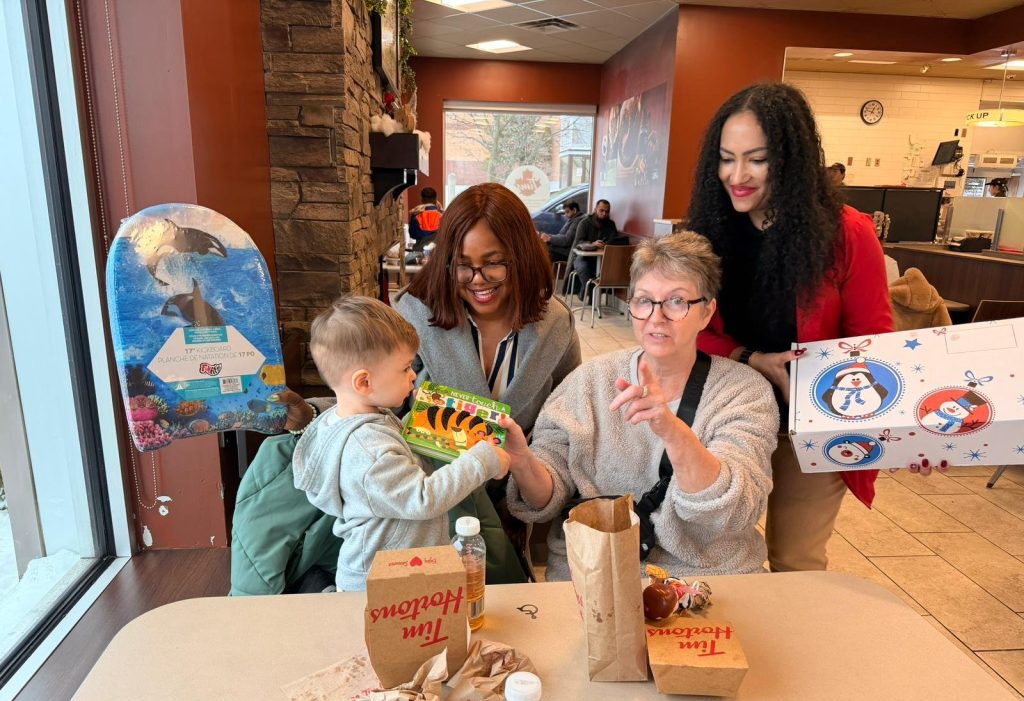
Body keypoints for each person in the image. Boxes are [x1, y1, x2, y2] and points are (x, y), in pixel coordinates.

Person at [280, 182, 583, 580]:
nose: (477, 279)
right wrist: (314, 414)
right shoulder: (412, 316)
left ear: (523, 257)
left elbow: (563, 424)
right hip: (425, 519)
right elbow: (381, 400)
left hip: (515, 506)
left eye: (494, 263)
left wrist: (528, 481)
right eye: (462, 264)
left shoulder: (555, 326)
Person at [689, 82, 892, 573]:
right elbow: (693, 326)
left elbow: (874, 343)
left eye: (757, 160)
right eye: (726, 159)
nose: (737, 176)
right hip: (728, 414)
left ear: (791, 160)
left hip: (811, 422)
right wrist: (750, 358)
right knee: (708, 556)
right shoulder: (709, 230)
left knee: (795, 560)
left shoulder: (846, 233)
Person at [503, 232, 778, 580]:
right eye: (644, 300)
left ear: (706, 312)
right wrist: (523, 462)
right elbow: (546, 498)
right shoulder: (589, 382)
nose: (656, 317)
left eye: (676, 301)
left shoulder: (743, 391)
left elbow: (736, 508)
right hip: (597, 573)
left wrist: (674, 433)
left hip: (710, 576)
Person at [292, 295, 510, 591]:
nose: (413, 376)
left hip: (401, 572)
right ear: (364, 382)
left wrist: (420, 420)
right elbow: (423, 498)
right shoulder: (367, 451)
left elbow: (395, 448)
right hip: (378, 584)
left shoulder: (361, 420)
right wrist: (484, 460)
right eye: (405, 368)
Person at [570, 199, 619, 298]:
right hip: (582, 257)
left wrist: (606, 244)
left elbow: (614, 241)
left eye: (607, 211)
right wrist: (593, 244)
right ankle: (591, 294)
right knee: (583, 267)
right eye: (601, 210)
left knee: (611, 269)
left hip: (603, 258)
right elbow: (578, 243)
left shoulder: (611, 224)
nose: (604, 214)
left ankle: (587, 292)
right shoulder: (584, 223)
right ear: (595, 209)